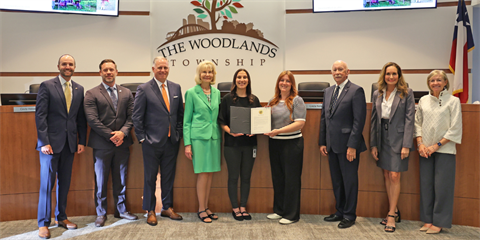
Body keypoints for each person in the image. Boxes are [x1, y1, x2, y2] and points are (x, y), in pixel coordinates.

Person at [35, 54, 87, 239]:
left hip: (70, 144)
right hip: (49, 145)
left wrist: (82, 141)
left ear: (75, 67)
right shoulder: (47, 86)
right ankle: (43, 223)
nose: (68, 67)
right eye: (64, 64)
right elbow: (40, 116)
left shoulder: (79, 89)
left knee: (64, 183)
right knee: (47, 184)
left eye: (71, 64)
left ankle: (61, 217)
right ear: (58, 66)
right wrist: (44, 142)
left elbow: (81, 117)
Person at [84, 59, 138, 227]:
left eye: (111, 69)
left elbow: (132, 117)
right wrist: (111, 135)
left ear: (116, 72)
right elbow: (92, 119)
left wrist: (122, 133)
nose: (108, 72)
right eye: (105, 70)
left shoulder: (127, 93)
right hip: (101, 144)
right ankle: (101, 213)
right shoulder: (91, 93)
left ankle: (121, 210)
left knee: (121, 178)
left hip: (123, 143)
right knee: (101, 180)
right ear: (100, 72)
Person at [132, 57, 184, 226]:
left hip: (171, 142)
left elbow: (179, 116)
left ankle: (167, 207)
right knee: (150, 178)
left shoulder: (176, 87)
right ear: (153, 69)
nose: (163, 70)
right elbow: (137, 117)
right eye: (160, 67)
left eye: (165, 67)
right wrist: (142, 138)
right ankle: (150, 210)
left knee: (169, 176)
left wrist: (178, 134)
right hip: (151, 143)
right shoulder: (144, 89)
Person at [319, 60, 366, 229]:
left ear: (348, 72)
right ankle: (339, 211)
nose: (337, 72)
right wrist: (322, 142)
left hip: (348, 146)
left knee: (349, 181)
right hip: (331, 145)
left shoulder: (356, 91)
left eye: (341, 69)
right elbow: (324, 118)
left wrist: (352, 145)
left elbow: (359, 121)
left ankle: (349, 215)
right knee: (337, 181)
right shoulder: (328, 91)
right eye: (334, 70)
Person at [414, 70, 462, 234]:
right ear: (428, 83)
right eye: (432, 80)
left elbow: (455, 128)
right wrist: (420, 144)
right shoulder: (423, 100)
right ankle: (428, 219)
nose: (436, 83)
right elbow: (417, 123)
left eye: (439, 80)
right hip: (425, 150)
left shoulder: (453, 101)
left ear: (445, 82)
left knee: (442, 188)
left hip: (445, 150)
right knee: (426, 186)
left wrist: (436, 145)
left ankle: (439, 221)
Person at [370, 62, 415, 233]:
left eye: (394, 74)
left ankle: (390, 215)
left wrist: (406, 145)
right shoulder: (377, 93)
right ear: (384, 76)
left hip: (399, 138)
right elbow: (374, 120)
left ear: (399, 75)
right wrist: (373, 144)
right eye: (388, 74)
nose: (391, 77)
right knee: (387, 174)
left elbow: (410, 119)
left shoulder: (406, 93)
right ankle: (394, 209)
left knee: (395, 175)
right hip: (382, 137)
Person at [218, 69, 261, 221]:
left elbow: (259, 122)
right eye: (239, 77)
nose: (242, 80)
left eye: (244, 77)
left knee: (246, 177)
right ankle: (235, 208)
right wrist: (231, 132)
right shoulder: (227, 99)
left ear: (248, 80)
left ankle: (243, 207)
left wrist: (255, 131)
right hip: (232, 144)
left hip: (250, 145)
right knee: (233, 177)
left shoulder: (254, 100)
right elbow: (221, 121)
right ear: (234, 80)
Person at [265, 71, 306, 225]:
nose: (284, 83)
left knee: (291, 179)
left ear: (292, 84)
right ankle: (279, 210)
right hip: (275, 143)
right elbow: (266, 120)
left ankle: (291, 214)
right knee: (278, 177)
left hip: (292, 144)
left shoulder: (297, 100)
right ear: (278, 83)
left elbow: (300, 123)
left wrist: (278, 131)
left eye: (287, 81)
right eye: (281, 80)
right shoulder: (273, 101)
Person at [184, 60, 221, 223]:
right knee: (202, 173)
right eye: (204, 71)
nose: (207, 74)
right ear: (199, 74)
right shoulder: (191, 93)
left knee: (210, 173)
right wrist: (187, 144)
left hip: (214, 137)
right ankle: (201, 209)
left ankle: (206, 207)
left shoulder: (217, 92)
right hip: (198, 138)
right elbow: (187, 121)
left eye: (210, 71)